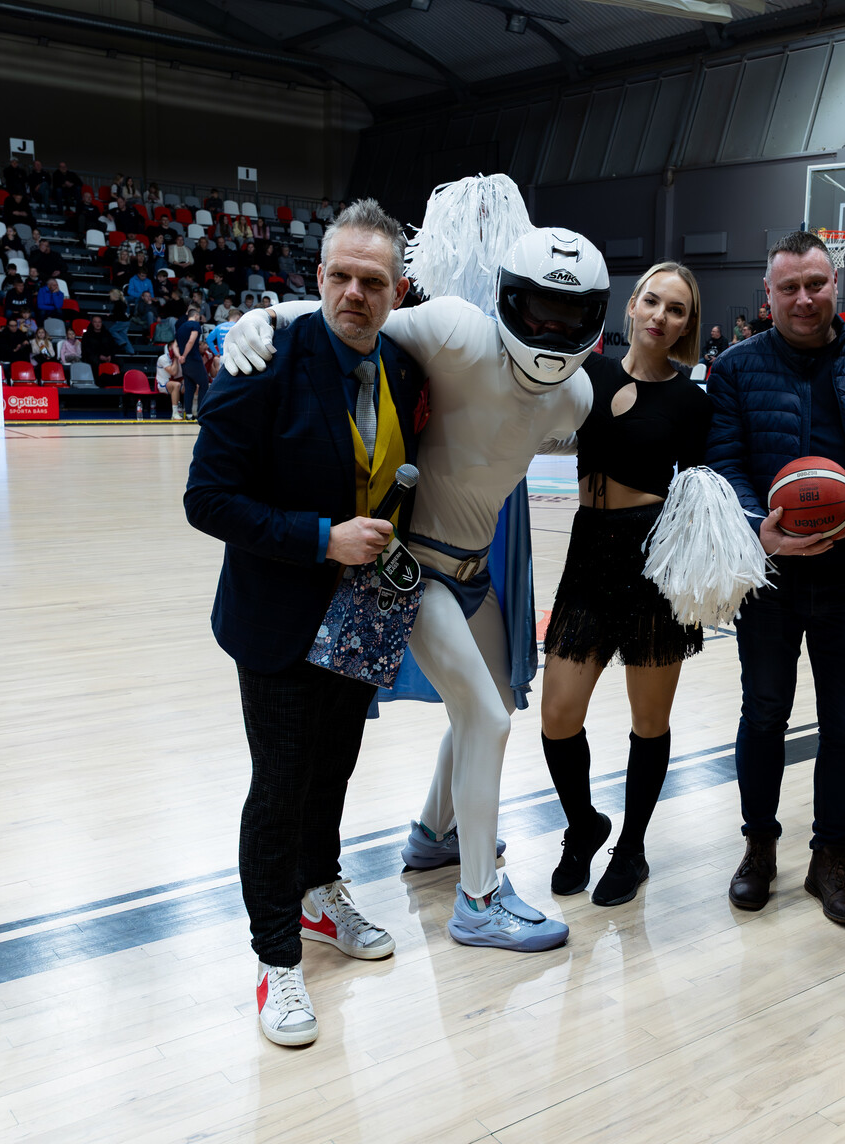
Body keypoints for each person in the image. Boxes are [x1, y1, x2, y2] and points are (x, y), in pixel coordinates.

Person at [222, 211, 605, 953]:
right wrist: (261, 318)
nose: (550, 329)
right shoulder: (459, 331)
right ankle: (479, 900)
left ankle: (433, 833)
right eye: (538, 310)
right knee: (486, 718)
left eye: (568, 315)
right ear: (509, 299)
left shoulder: (575, 397)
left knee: (493, 707)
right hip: (410, 569)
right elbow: (357, 317)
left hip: (474, 573)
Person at [184, 199, 429, 1049]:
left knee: (334, 770)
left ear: (398, 292)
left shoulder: (404, 368)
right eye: (341, 276)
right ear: (317, 278)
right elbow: (207, 500)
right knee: (281, 786)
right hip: (280, 614)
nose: (355, 293)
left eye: (373, 281)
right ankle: (275, 958)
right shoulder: (261, 360)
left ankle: (320, 894)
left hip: (365, 614)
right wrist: (322, 538)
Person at [706, 230, 845, 929]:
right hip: (769, 577)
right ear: (767, 295)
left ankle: (830, 857)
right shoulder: (735, 367)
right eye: (789, 288)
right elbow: (724, 462)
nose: (803, 299)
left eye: (815, 284)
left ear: (836, 284)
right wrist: (758, 526)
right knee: (763, 714)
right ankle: (759, 846)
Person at [540, 261, 713, 907]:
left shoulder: (692, 401)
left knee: (649, 719)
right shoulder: (587, 374)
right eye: (653, 301)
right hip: (588, 549)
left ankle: (632, 848)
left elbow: (703, 494)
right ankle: (583, 825)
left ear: (686, 325)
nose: (661, 316)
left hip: (651, 560)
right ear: (632, 305)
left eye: (677, 309)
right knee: (558, 714)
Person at [175, 308, 207, 418]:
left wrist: (179, 356)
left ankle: (188, 414)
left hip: (184, 362)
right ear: (196, 315)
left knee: (189, 387)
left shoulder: (180, 327)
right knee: (204, 384)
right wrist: (184, 355)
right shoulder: (195, 325)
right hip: (193, 358)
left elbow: (174, 345)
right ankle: (200, 412)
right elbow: (191, 341)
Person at [155, 340, 184, 418]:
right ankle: (175, 413)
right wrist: (175, 358)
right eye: (177, 346)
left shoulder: (181, 357)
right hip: (163, 384)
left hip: (177, 382)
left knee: (192, 385)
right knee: (176, 385)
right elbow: (173, 372)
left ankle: (190, 412)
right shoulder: (163, 358)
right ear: (171, 347)